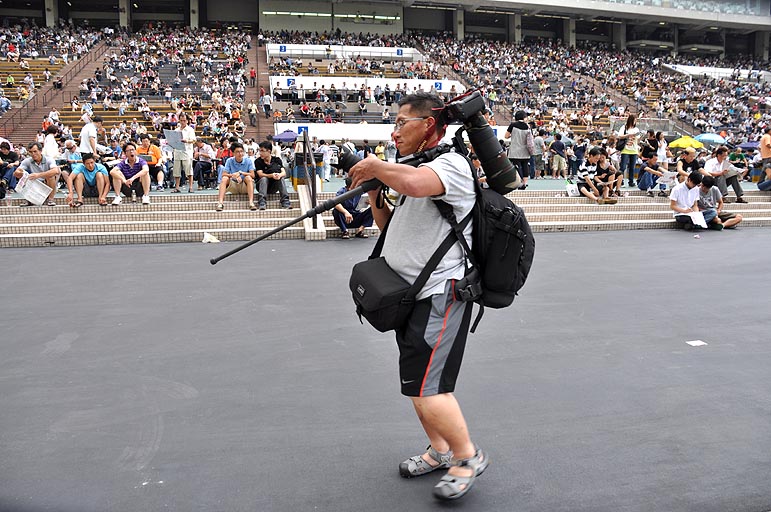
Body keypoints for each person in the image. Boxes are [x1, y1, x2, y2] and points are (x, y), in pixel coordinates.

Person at [348, 91, 488, 502]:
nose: (394, 132)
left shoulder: (452, 165)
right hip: (409, 294)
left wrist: (378, 166)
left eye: (401, 123)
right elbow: (390, 225)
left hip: (440, 294)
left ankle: (468, 457)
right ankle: (440, 451)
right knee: (416, 385)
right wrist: (374, 193)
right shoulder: (415, 166)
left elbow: (413, 183)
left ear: (428, 124)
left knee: (429, 388)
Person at [14, 142, 61, 206]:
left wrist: (38, 175)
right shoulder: (27, 161)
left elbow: (56, 171)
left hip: (47, 183)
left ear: (40, 151)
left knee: (51, 176)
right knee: (24, 176)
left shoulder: (49, 159)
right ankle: (29, 199)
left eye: (35, 151)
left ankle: (50, 199)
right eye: (31, 152)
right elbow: (16, 173)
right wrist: (20, 173)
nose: (33, 154)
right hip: (35, 184)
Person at [215, 142, 256, 212]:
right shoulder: (229, 160)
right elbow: (223, 174)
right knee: (224, 178)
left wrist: (241, 173)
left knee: (248, 177)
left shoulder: (248, 160)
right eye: (237, 152)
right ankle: (220, 203)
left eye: (241, 151)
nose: (240, 154)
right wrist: (234, 175)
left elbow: (253, 175)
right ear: (233, 153)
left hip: (245, 186)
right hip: (234, 185)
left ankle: (251, 203)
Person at [110, 141, 151, 205]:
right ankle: (117, 196)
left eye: (133, 150)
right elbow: (112, 171)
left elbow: (146, 169)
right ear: (125, 153)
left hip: (139, 186)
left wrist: (133, 178)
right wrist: (124, 180)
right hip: (127, 186)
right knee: (116, 172)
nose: (131, 152)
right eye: (129, 150)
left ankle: (146, 196)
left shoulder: (141, 161)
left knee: (145, 172)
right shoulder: (123, 163)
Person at [255, 141, 291, 210]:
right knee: (264, 178)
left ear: (269, 151)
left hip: (274, 186)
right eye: (260, 151)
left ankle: (285, 201)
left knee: (281, 178)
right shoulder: (258, 161)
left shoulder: (277, 160)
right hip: (261, 185)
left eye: (262, 151)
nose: (260, 153)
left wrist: (279, 175)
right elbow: (260, 174)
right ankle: (262, 202)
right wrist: (272, 175)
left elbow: (284, 172)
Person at [505, 110, 533, 189]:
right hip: (525, 151)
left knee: (517, 166)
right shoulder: (527, 126)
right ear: (524, 117)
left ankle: (519, 182)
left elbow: (506, 136)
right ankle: (524, 183)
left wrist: (512, 135)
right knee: (525, 167)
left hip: (515, 150)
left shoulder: (513, 125)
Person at [171, 113, 196, 193]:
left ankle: (191, 187)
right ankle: (177, 187)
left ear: (187, 121)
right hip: (177, 151)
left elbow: (194, 140)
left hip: (187, 151)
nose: (182, 122)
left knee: (189, 170)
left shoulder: (190, 130)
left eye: (184, 121)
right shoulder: (176, 130)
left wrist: (187, 141)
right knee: (176, 170)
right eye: (181, 120)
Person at [617, 114, 641, 187]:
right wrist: (628, 135)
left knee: (632, 167)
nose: (635, 121)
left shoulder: (636, 129)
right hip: (625, 149)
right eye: (634, 120)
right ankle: (621, 181)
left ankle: (631, 181)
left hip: (634, 149)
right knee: (623, 167)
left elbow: (638, 139)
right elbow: (620, 136)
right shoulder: (624, 127)